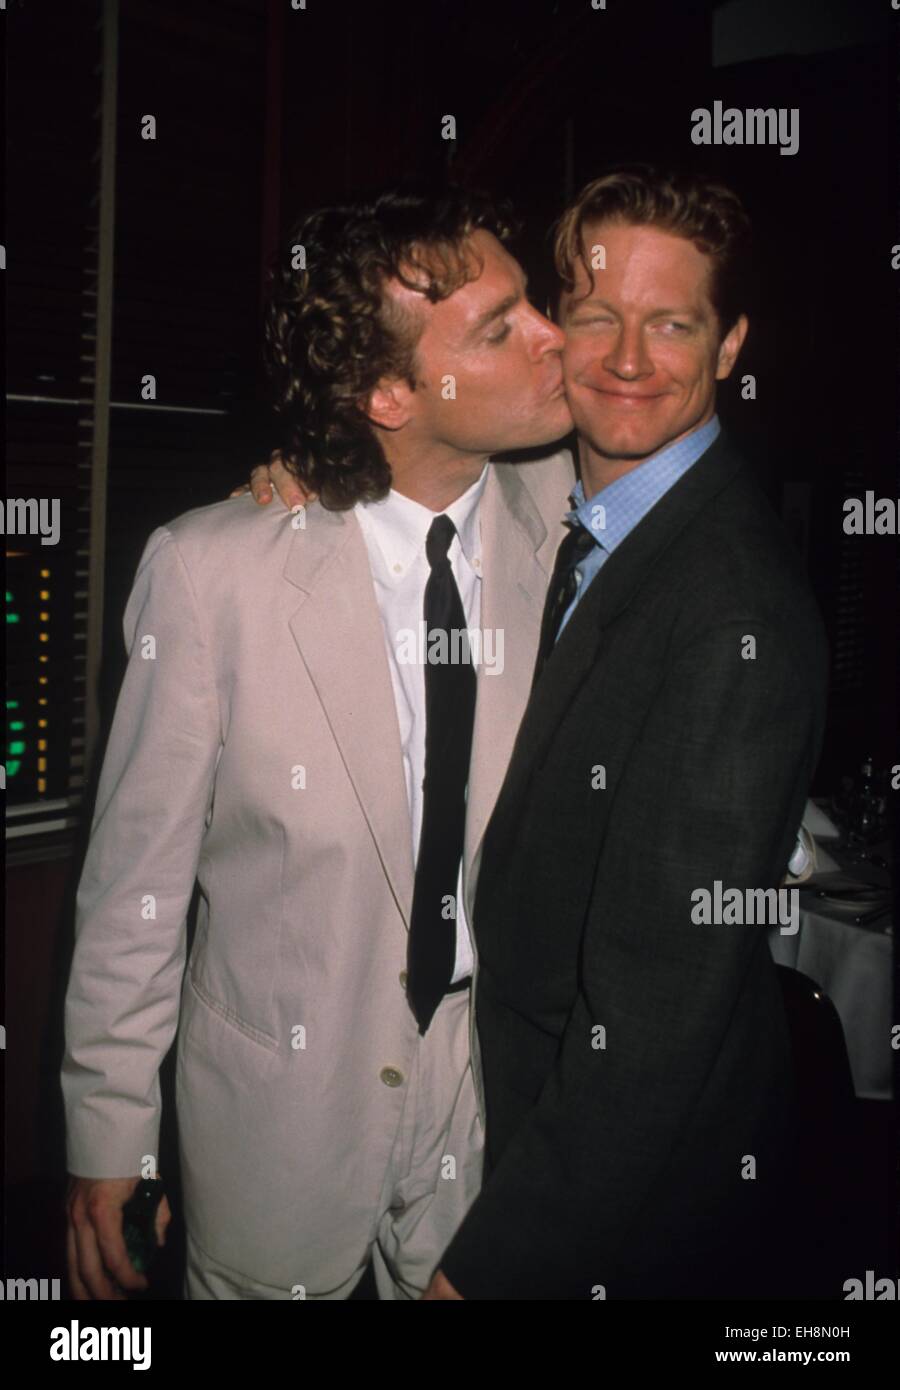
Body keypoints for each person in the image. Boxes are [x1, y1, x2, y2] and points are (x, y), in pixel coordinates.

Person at [61, 187, 575, 1300]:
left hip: (485, 1113)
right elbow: (134, 889)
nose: (555, 337)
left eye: (532, 300)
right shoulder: (214, 575)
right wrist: (110, 1136)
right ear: (389, 391)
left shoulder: (575, 524)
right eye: (501, 326)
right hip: (277, 1123)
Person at [414, 167, 829, 1299]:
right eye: (599, 315)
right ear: (555, 325)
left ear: (730, 344)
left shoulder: (733, 615)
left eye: (674, 323)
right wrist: (300, 478)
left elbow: (650, 1027)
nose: (629, 360)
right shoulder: (569, 502)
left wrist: (488, 1272)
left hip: (633, 1210)